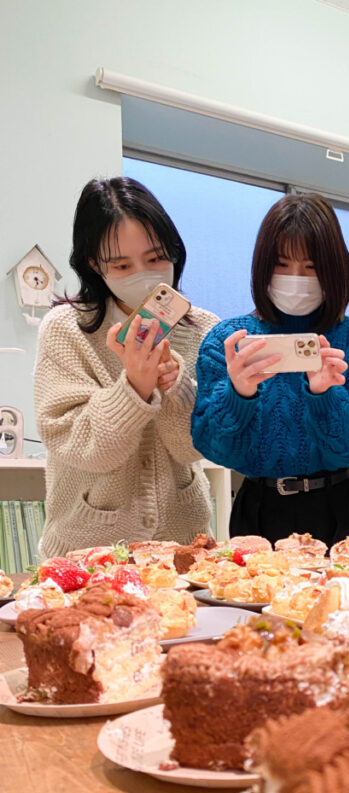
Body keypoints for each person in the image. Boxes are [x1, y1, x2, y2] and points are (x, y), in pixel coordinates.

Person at [192, 193, 349, 548]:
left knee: (343, 602)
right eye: (282, 264)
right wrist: (238, 394)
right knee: (253, 600)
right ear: (263, 267)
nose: (295, 278)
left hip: (337, 506)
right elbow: (213, 447)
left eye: (312, 267)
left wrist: (325, 395)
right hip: (257, 506)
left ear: (335, 269)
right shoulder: (228, 341)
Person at [35, 177, 219, 558]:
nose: (144, 274)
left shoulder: (204, 330)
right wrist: (134, 386)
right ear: (94, 265)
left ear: (174, 250)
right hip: (86, 551)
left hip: (182, 546)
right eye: (122, 265)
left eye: (155, 258)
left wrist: (175, 386)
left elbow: (192, 448)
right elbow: (79, 446)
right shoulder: (65, 329)